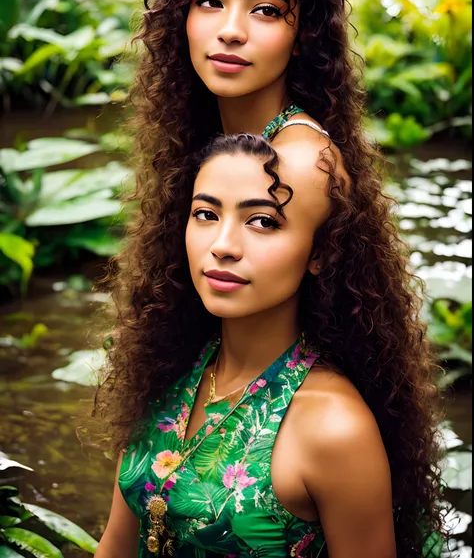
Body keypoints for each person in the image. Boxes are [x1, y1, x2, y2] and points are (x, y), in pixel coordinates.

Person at [93, 0, 443, 557]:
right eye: (209, 1)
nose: (230, 30)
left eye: (265, 8)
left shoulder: (299, 157)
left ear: (302, 31)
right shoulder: (211, 132)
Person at [95, 134, 441, 558]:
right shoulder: (168, 367)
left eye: (262, 221)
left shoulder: (334, 427)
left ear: (321, 252)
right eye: (205, 214)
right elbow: (116, 545)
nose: (222, 245)